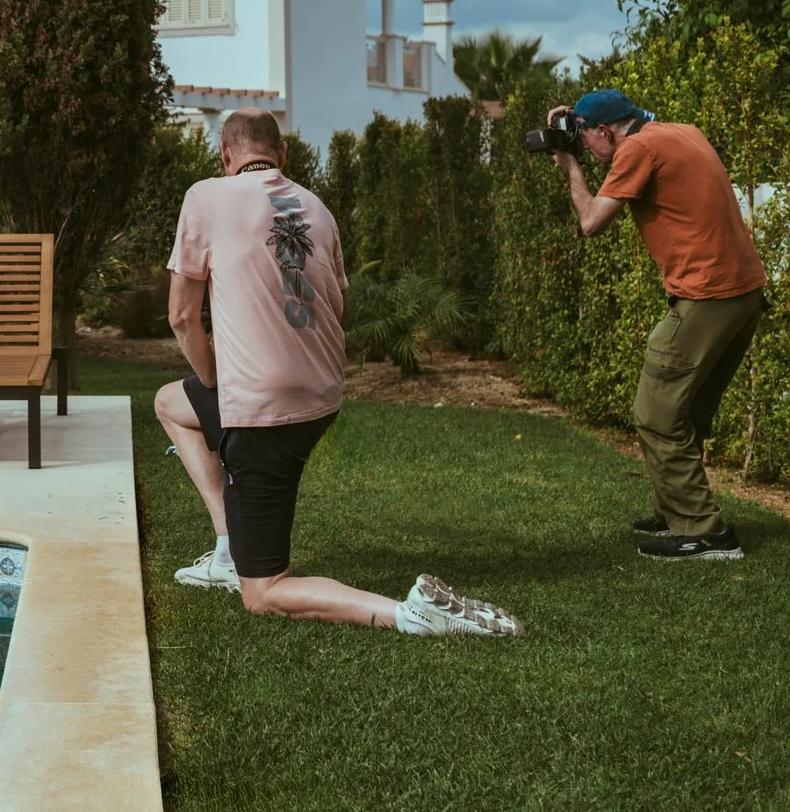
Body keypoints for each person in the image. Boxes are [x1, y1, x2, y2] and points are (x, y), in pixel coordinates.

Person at [153, 108, 523, 637]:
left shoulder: (206, 195)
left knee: (264, 593)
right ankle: (229, 546)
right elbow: (341, 311)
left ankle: (410, 614)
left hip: (264, 413)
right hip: (321, 398)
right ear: (281, 156)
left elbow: (182, 317)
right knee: (171, 403)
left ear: (226, 157)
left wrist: (218, 385)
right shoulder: (318, 208)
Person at [548, 89, 767, 561]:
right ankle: (675, 508)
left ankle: (704, 534)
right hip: (745, 293)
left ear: (605, 132)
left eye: (586, 140)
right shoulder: (681, 132)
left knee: (657, 413)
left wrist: (571, 169)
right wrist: (575, 121)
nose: (586, 149)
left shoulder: (636, 149)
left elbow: (590, 222)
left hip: (707, 295)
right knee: (686, 412)